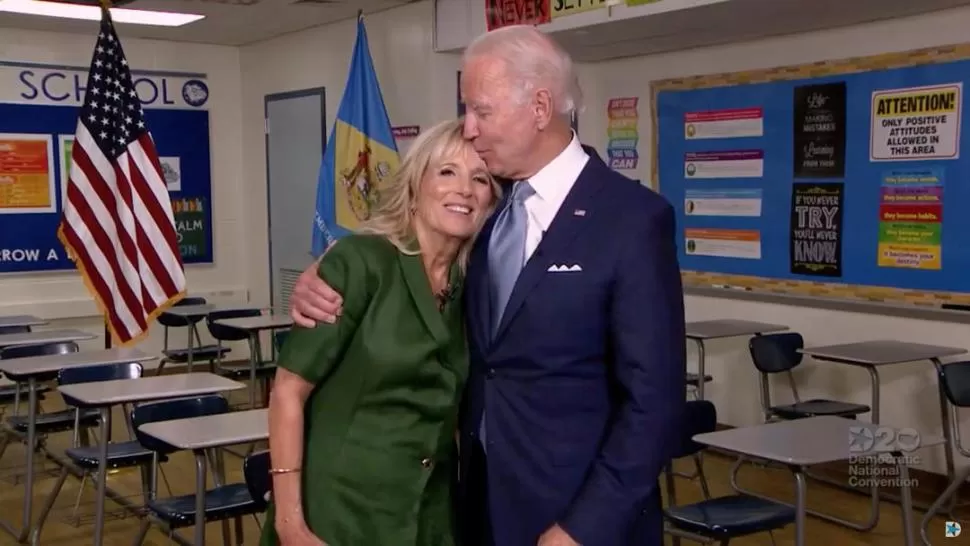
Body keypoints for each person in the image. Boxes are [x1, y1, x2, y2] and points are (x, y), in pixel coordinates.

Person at [288, 25, 687, 546]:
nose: (469, 129)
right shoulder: (488, 216)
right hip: (475, 507)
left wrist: (583, 527)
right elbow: (414, 256)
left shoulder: (631, 220)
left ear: (540, 108)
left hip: (577, 517)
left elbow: (653, 406)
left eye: (482, 111)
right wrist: (327, 266)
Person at [262, 118, 501, 546]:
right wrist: (289, 523)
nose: (464, 189)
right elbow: (286, 392)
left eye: (479, 178)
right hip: (339, 511)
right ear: (414, 186)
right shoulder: (360, 262)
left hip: (429, 514)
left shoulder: (475, 284)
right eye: (446, 171)